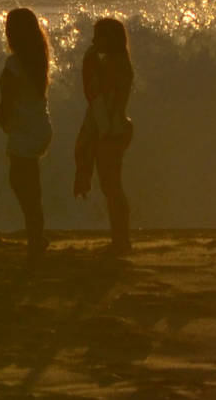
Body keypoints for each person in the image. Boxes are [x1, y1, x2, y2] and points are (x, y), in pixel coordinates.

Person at [74, 16, 134, 254]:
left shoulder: (115, 64)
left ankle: (121, 240)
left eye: (98, 36)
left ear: (109, 40)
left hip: (112, 131)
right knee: (111, 187)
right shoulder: (116, 61)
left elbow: (99, 100)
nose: (93, 40)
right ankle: (120, 238)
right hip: (115, 129)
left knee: (112, 187)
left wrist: (88, 68)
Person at [0, 8, 52, 256]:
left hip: (24, 129)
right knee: (31, 185)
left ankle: (35, 239)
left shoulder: (14, 64)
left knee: (21, 184)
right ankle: (36, 236)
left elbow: (7, 99)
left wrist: (2, 119)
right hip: (40, 126)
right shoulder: (39, 58)